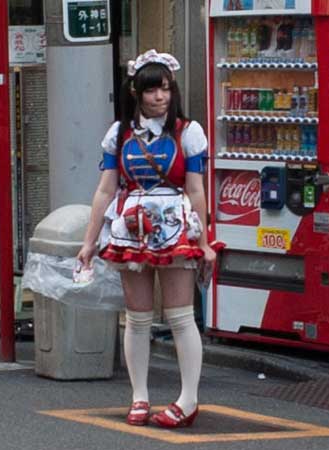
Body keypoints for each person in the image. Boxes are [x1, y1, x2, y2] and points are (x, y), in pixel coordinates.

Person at [76, 49, 221, 429]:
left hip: (175, 225)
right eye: (153, 90)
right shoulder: (119, 133)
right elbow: (105, 190)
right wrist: (89, 242)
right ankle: (139, 395)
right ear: (136, 92)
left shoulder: (188, 132)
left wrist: (204, 240)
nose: (161, 98)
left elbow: (197, 190)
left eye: (167, 90)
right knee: (137, 319)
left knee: (180, 316)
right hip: (129, 227)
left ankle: (188, 400)